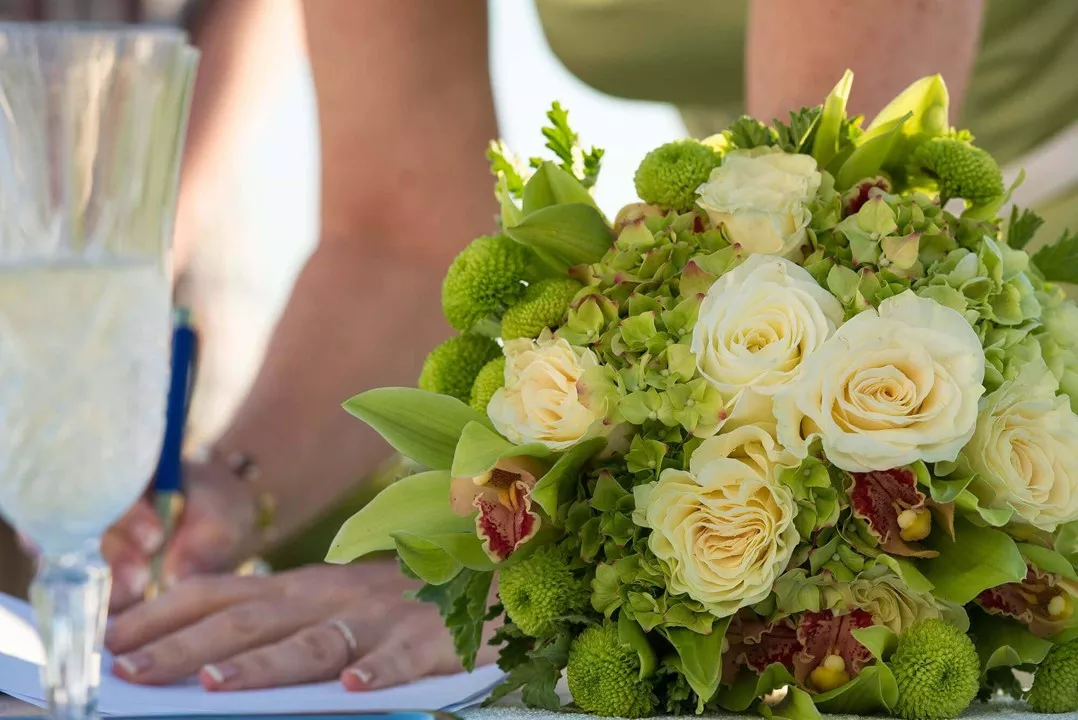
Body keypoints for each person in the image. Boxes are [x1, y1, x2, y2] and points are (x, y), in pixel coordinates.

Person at [28, 0, 1078, 695]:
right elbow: (396, 235)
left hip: (1004, 326)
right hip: (758, 314)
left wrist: (535, 557)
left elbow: (839, 181)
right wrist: (228, 488)